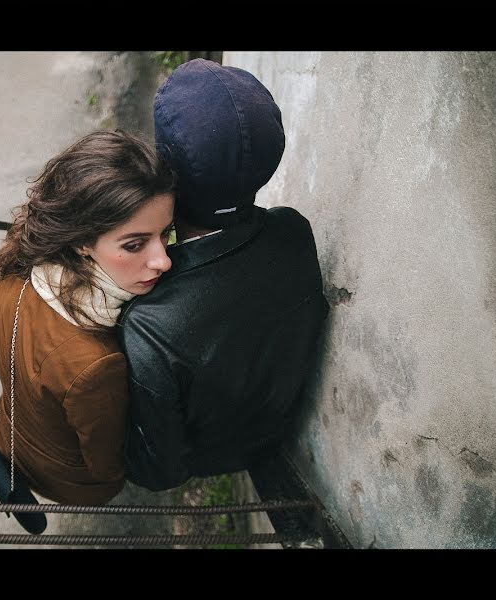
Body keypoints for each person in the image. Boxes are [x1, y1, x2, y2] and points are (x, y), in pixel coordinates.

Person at [118, 59, 330, 491]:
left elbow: (162, 472)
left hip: (208, 456)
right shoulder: (294, 229)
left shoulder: (147, 324)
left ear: (164, 166)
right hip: (272, 433)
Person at [0, 129, 176, 505]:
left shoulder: (21, 275)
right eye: (134, 244)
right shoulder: (97, 363)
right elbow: (104, 466)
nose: (163, 260)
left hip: (7, 438)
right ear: (81, 242)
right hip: (71, 483)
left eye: (167, 234)